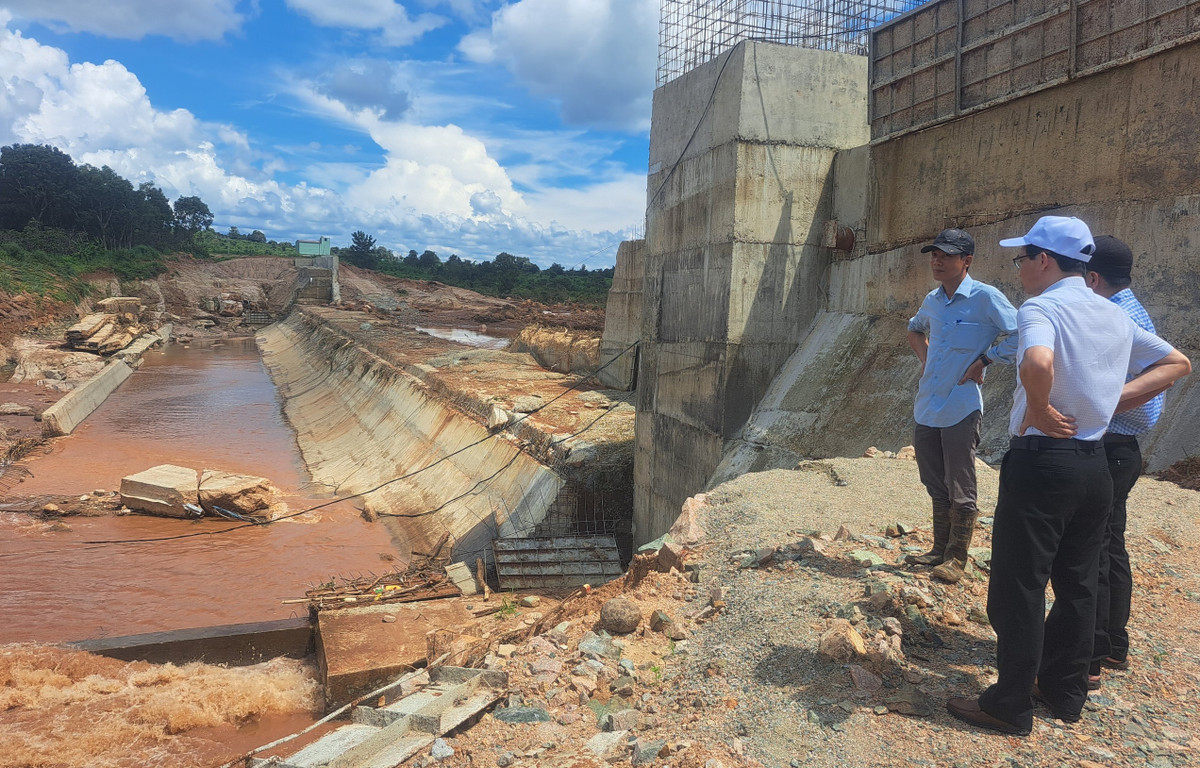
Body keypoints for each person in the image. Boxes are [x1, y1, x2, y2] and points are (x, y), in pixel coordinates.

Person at [947, 216, 1191, 736]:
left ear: (1044, 261)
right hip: (1095, 464)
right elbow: (1176, 362)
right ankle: (1064, 691)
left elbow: (1036, 360)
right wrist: (1109, 400)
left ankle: (1008, 703)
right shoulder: (1111, 313)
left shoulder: (1042, 306)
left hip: (1042, 461)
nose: (1018, 270)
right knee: (1079, 582)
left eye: (1022, 259)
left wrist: (1038, 404)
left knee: (1019, 583)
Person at [905, 228, 1018, 583]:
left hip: (961, 404)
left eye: (946, 255)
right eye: (934, 255)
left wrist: (985, 360)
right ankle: (939, 549)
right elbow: (914, 329)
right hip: (928, 403)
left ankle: (957, 558)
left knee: (961, 480)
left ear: (966, 261)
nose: (936, 261)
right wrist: (926, 360)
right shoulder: (933, 300)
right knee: (932, 477)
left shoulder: (986, 298)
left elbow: (1021, 333)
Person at [1085, 235, 1165, 687]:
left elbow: (1151, 401)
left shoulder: (1117, 317)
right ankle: (1113, 645)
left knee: (1092, 549)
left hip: (1112, 446)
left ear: (1092, 277)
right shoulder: (1128, 310)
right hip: (1120, 449)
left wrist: (1095, 401)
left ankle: (1091, 654)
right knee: (1110, 545)